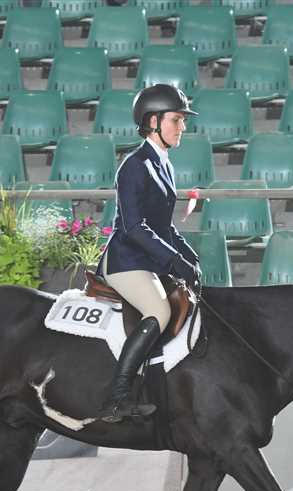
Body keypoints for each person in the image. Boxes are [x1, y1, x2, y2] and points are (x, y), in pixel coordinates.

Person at [96, 84, 202, 423]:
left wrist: (187, 254)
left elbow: (163, 224)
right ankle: (117, 398)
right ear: (153, 121)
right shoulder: (134, 165)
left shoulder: (163, 164)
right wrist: (172, 260)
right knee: (158, 309)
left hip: (149, 258)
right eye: (176, 120)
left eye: (183, 120)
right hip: (126, 260)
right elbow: (134, 227)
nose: (182, 127)